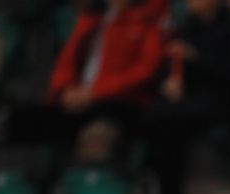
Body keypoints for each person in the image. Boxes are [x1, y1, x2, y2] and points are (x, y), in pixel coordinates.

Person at [140, 0, 230, 194]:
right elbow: (167, 67)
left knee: (167, 122)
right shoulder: (185, 29)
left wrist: (197, 59)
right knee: (155, 119)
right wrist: (168, 84)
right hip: (190, 100)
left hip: (226, 98)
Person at [10, 0, 166, 160]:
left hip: (119, 102)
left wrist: (95, 92)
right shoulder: (90, 19)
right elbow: (66, 61)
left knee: (97, 133)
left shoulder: (147, 22)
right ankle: (29, 180)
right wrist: (64, 90)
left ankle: (97, 180)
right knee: (22, 122)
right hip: (78, 98)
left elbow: (146, 69)